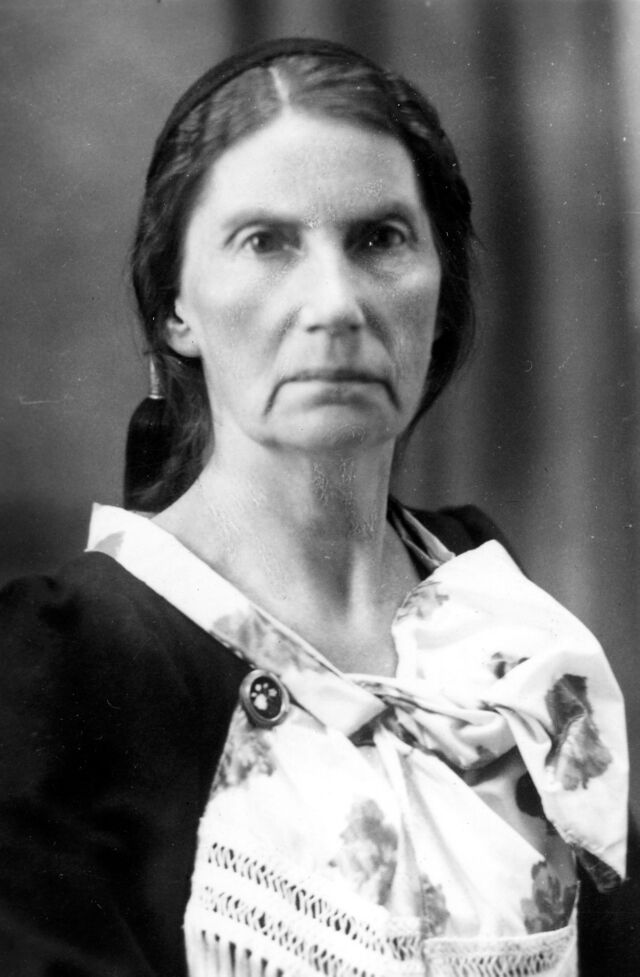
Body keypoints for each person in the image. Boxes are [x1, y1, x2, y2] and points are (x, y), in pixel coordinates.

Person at [0, 36, 637, 977]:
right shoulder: (67, 660)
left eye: (380, 239)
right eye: (266, 242)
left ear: (441, 295)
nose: (335, 304)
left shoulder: (500, 618)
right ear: (176, 306)